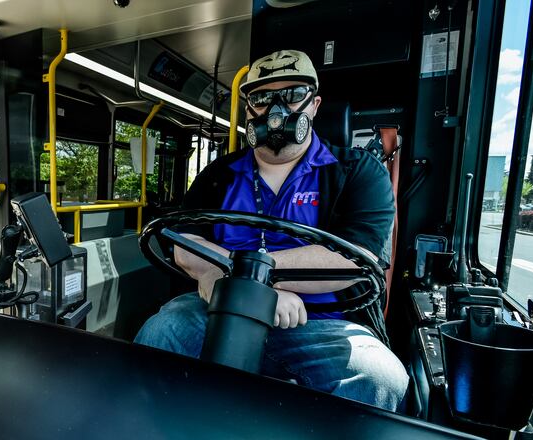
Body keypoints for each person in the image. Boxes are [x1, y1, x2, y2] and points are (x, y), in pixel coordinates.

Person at [134, 50, 409, 411]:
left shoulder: (358, 172)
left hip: (321, 322)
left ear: (314, 104)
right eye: (262, 98)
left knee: (380, 378)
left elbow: (355, 257)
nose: (277, 109)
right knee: (159, 333)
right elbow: (184, 240)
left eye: (293, 94)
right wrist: (225, 281)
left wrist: (256, 283)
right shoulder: (219, 174)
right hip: (219, 308)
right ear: (248, 109)